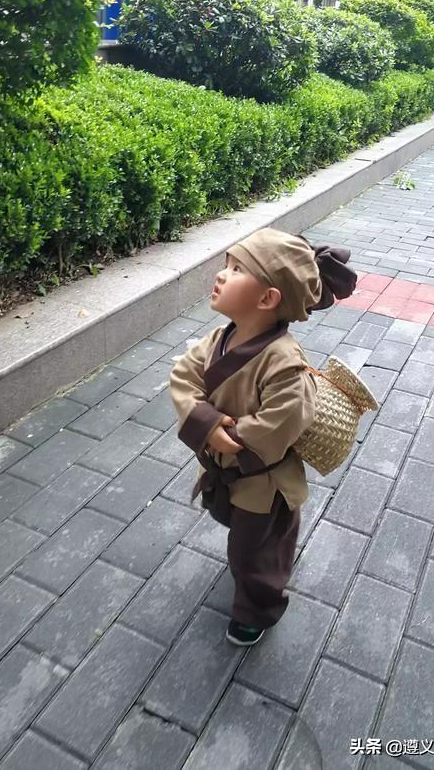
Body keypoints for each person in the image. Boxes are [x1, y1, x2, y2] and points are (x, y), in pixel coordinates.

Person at [169, 228, 356, 646]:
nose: (221, 274)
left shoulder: (285, 363)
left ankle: (257, 611)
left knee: (255, 552)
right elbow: (184, 374)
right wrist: (206, 422)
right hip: (230, 469)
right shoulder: (221, 338)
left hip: (263, 482)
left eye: (237, 269)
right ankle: (268, 556)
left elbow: (282, 420)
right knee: (243, 535)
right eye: (226, 265)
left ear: (268, 298)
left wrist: (227, 435)